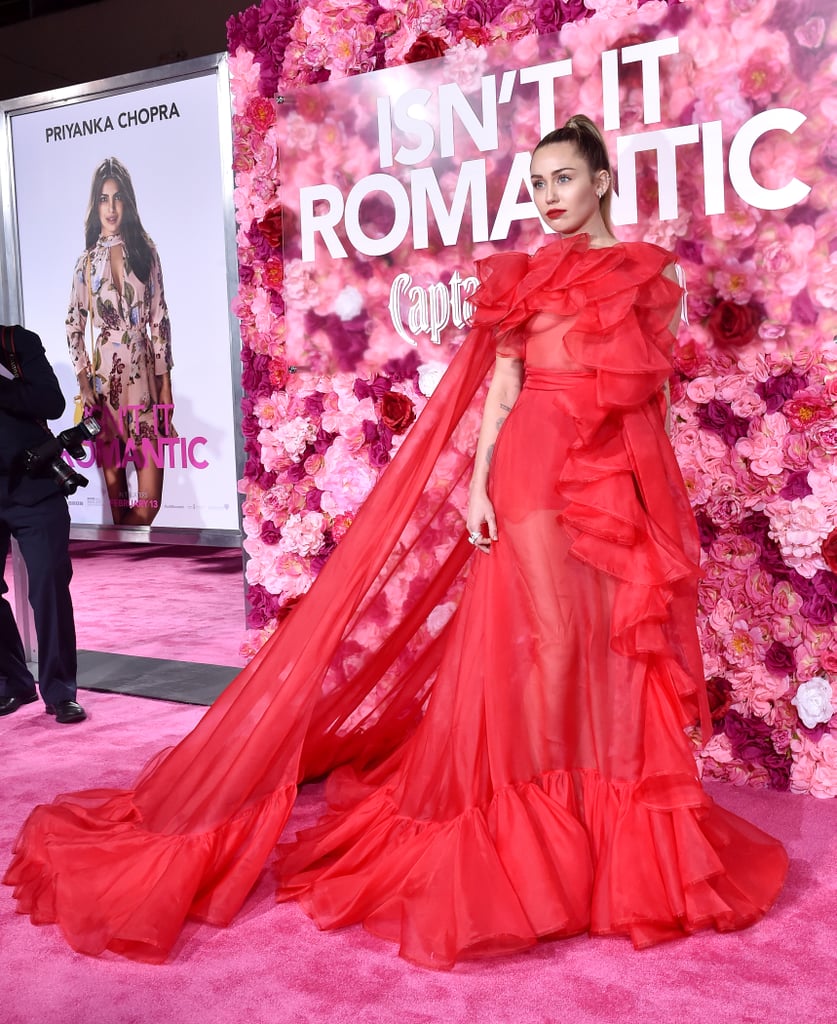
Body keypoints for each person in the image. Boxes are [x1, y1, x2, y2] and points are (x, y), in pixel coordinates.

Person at [4, 117, 787, 964]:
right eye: (537, 184)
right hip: (528, 474)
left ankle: (605, 816)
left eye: (563, 179)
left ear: (600, 180)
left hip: (608, 479)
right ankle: (548, 821)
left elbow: (654, 402)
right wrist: (482, 482)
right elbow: (503, 387)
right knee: (550, 643)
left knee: (609, 645)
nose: (548, 198)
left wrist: (646, 493)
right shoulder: (519, 277)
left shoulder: (647, 270)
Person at [66, 156, 174, 527]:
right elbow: (74, 324)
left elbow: (159, 319)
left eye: (117, 198)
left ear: (127, 202)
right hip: (104, 387)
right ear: (95, 205)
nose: (110, 208)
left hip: (143, 379)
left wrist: (165, 385)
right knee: (118, 499)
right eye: (103, 198)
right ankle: (131, 579)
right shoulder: (85, 264)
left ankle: (124, 566)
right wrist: (84, 382)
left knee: (149, 502)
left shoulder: (146, 251)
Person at [0, 324, 86, 724]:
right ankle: (15, 682)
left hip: (35, 487)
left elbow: (51, 402)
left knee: (48, 589)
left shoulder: (14, 342)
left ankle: (60, 692)